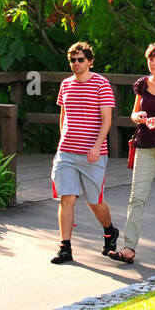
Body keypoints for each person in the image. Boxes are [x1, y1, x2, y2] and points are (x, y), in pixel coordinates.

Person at [107, 42, 155, 264]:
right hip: (145, 145)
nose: (153, 63)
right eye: (150, 59)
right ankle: (129, 248)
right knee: (137, 197)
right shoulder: (142, 84)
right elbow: (133, 113)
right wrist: (138, 117)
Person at [50, 41, 120, 264]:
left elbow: (107, 119)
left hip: (93, 153)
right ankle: (65, 247)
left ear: (90, 61)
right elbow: (63, 115)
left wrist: (97, 145)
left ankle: (110, 231)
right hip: (67, 152)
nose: (77, 64)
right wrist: (62, 140)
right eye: (73, 60)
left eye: (81, 59)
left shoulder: (101, 84)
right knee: (67, 197)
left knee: (94, 201)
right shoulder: (66, 84)